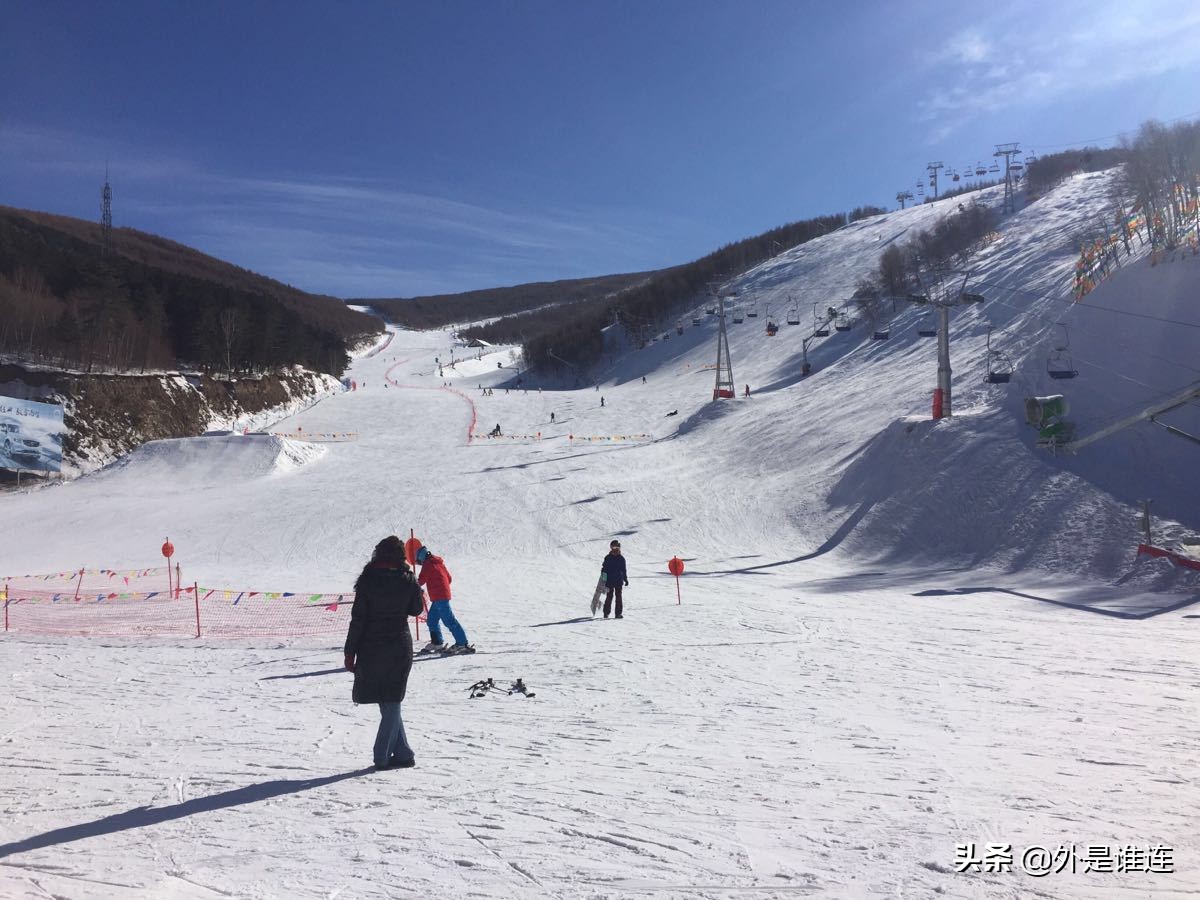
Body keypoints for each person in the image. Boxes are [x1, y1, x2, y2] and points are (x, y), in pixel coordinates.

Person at [343, 535, 424, 771]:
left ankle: (403, 753)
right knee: (392, 699)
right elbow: (416, 609)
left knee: (388, 700)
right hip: (399, 645)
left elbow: (358, 619)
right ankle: (382, 756)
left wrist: (350, 652)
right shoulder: (406, 579)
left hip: (371, 647)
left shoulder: (368, 580)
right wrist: (414, 586)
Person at [416, 546, 473, 653]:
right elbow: (449, 578)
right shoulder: (439, 563)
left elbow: (421, 580)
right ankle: (437, 642)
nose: (420, 563)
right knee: (432, 620)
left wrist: (414, 584)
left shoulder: (428, 564)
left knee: (449, 620)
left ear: (421, 558)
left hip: (439, 597)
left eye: (419, 561)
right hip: (439, 596)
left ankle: (462, 643)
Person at [601, 539, 628, 619]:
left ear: (619, 548)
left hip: (618, 581)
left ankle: (618, 614)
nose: (614, 549)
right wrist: (603, 579)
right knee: (609, 596)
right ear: (611, 548)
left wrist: (625, 579)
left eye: (616, 547)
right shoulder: (608, 558)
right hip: (609, 581)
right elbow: (604, 569)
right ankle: (606, 613)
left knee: (618, 597)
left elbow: (624, 570)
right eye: (613, 547)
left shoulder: (621, 559)